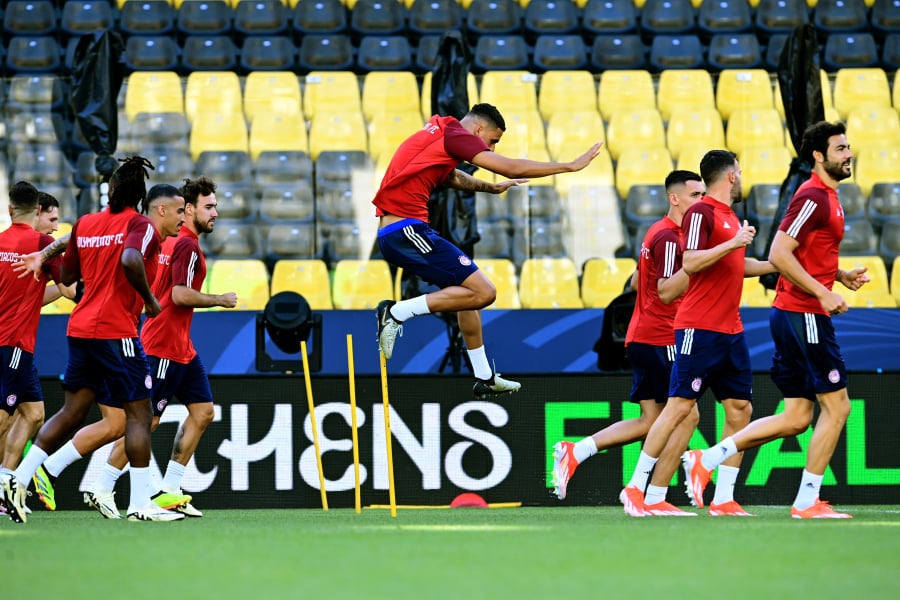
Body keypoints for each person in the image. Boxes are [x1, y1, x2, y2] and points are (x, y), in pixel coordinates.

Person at [682, 122, 867, 519]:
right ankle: (806, 502)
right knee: (838, 408)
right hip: (804, 313)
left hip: (795, 312)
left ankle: (709, 458)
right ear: (818, 155)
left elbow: (806, 256)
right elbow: (781, 253)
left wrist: (839, 277)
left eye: (848, 147)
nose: (848, 154)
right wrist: (821, 292)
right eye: (840, 148)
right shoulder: (815, 195)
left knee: (797, 417)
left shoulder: (828, 198)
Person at [373, 103, 603, 398]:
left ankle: (484, 377)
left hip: (403, 231)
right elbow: (511, 166)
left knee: (468, 295)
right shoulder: (455, 134)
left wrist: (489, 187)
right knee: (485, 292)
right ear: (478, 128)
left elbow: (451, 176)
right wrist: (569, 166)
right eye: (492, 141)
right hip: (405, 231)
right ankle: (395, 312)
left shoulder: (442, 134)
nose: (491, 149)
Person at [9, 159, 187, 523]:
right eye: (180, 211)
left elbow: (70, 273)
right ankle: (140, 504)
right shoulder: (138, 225)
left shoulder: (87, 223)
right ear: (141, 197)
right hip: (116, 330)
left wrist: (48, 256)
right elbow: (130, 258)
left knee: (72, 410)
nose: (181, 218)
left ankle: (17, 479)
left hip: (80, 328)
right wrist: (151, 302)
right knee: (140, 412)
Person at [619, 150, 778, 518]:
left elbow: (736, 265)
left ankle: (722, 498)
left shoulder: (729, 217)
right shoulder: (701, 212)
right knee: (678, 409)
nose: (742, 175)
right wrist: (734, 242)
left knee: (741, 408)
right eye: (740, 169)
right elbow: (691, 261)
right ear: (732, 176)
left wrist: (779, 264)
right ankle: (637, 489)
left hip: (731, 328)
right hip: (698, 326)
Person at [551, 170, 704, 516]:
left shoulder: (660, 233)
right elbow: (665, 291)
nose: (702, 201)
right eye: (695, 195)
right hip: (661, 336)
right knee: (688, 414)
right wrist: (696, 270)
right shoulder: (670, 237)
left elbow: (637, 282)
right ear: (674, 198)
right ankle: (653, 495)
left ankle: (577, 452)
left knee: (652, 420)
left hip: (646, 335)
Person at [83, 176, 237, 519]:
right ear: (189, 209)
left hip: (181, 347)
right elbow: (180, 295)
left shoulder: (168, 240)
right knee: (146, 422)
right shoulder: (186, 245)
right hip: (164, 346)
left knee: (204, 412)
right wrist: (220, 299)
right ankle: (101, 484)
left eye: (215, 206)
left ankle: (169, 489)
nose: (215, 213)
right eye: (208, 207)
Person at [0, 182, 66, 523]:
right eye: (52, 218)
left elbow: (34, 297)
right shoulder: (43, 246)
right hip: (12, 343)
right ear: (36, 211)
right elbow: (70, 290)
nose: (56, 226)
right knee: (4, 417)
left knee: (34, 413)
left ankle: (6, 482)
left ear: (10, 210)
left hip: (13, 341)